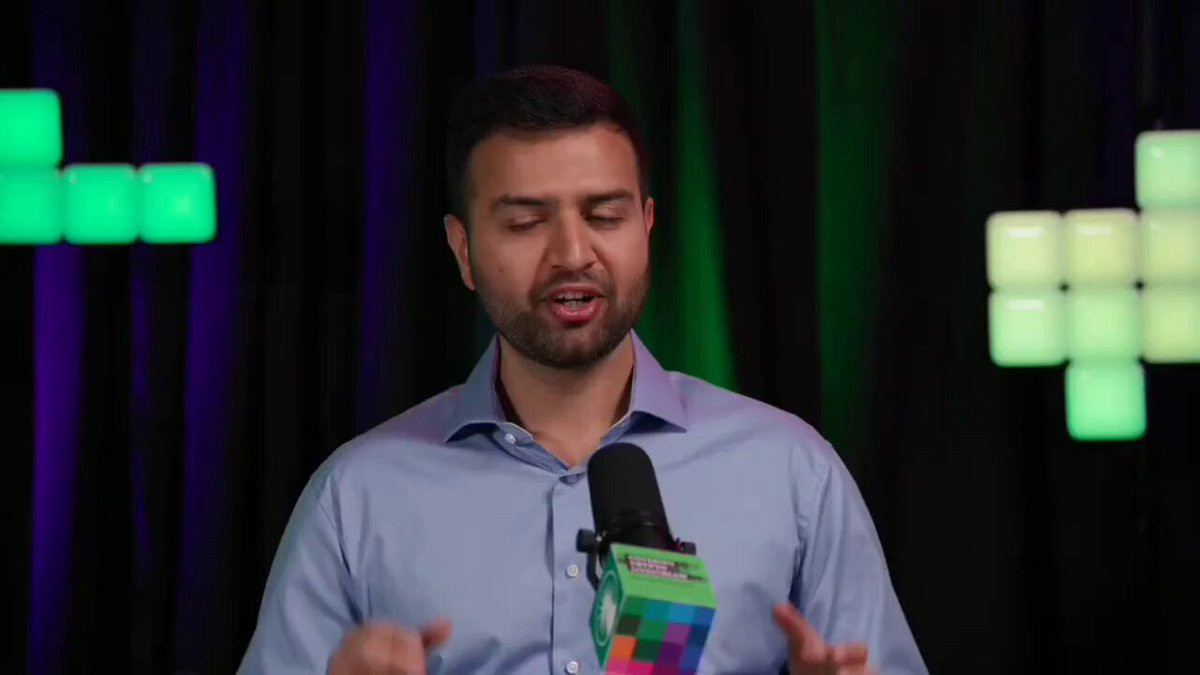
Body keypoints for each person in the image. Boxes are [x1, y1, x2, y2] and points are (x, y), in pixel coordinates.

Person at [239, 65, 926, 675]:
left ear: (647, 226)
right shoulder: (357, 496)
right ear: (463, 249)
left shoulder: (793, 473)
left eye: (604, 215)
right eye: (526, 222)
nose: (573, 253)